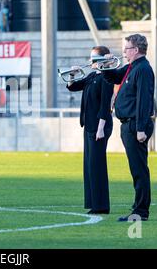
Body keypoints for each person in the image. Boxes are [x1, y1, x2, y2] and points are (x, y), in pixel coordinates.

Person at [103, 34, 155, 221]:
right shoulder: (131, 68)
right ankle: (139, 209)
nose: (124, 52)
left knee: (139, 170)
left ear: (136, 50)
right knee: (136, 170)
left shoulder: (143, 69)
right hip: (128, 125)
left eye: (126, 49)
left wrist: (141, 128)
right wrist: (105, 65)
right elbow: (113, 77)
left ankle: (140, 211)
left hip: (135, 126)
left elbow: (144, 100)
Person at [66, 46, 114, 215]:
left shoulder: (106, 78)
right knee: (89, 166)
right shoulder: (92, 76)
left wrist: (101, 128)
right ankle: (93, 203)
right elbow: (72, 87)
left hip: (99, 127)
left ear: (101, 59)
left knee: (97, 165)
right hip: (89, 126)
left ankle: (101, 205)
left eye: (94, 58)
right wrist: (71, 75)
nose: (90, 61)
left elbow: (105, 105)